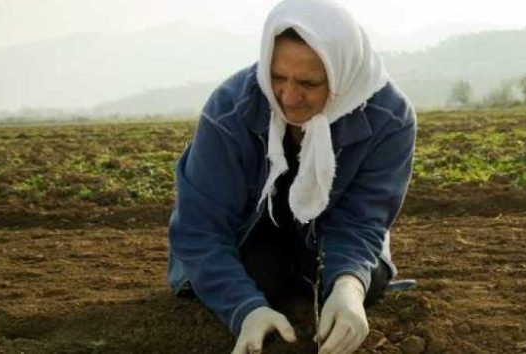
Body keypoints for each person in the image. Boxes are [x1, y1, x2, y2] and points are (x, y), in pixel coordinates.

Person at [166, 0, 416, 353]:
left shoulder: (388, 118)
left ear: (342, 76)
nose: (288, 96)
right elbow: (199, 230)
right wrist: (245, 309)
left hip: (327, 231)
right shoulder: (229, 111)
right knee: (260, 275)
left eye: (309, 83)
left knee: (367, 281)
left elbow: (362, 221)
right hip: (251, 234)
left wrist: (349, 287)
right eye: (277, 77)